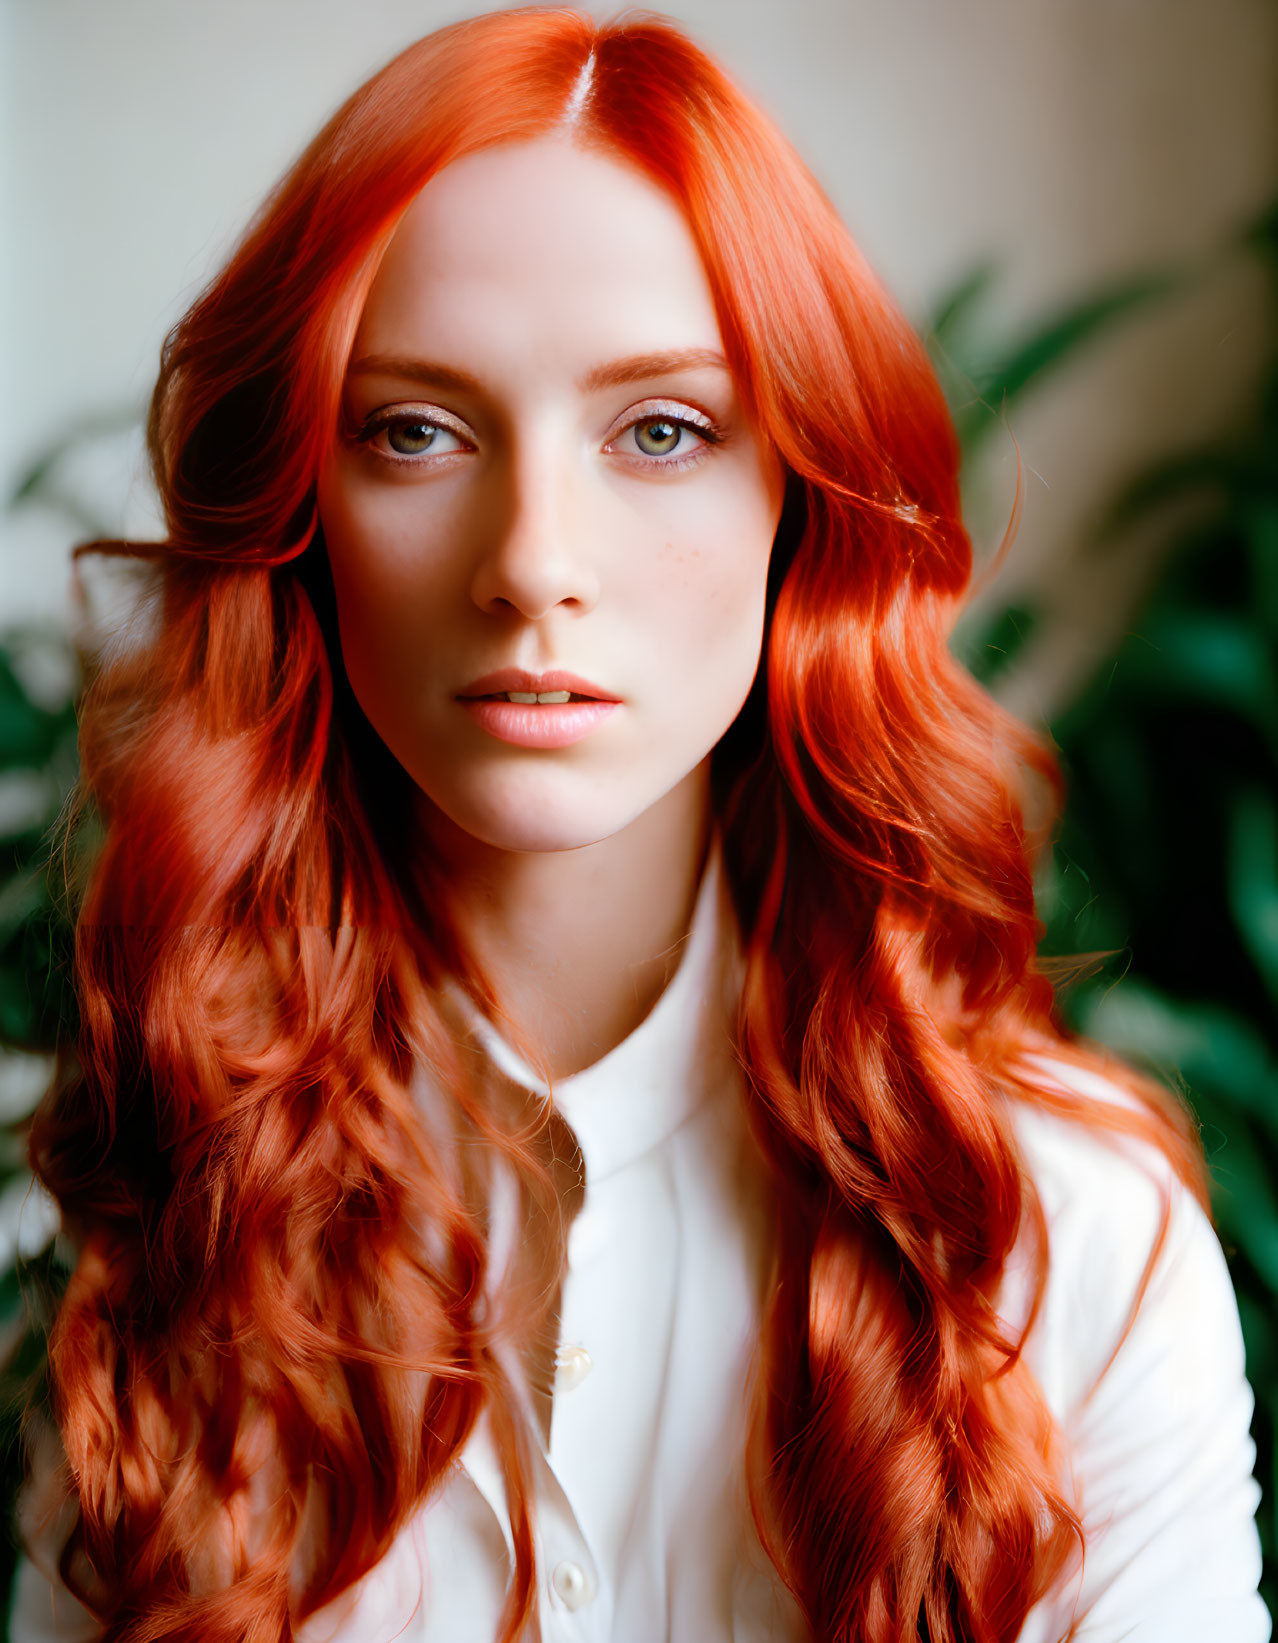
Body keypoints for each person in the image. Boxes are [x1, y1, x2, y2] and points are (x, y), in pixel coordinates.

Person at [10, 9, 1268, 1642]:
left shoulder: (1064, 1245)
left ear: (798, 503)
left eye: (660, 432)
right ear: (299, 512)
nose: (533, 559)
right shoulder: (178, 1214)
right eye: (415, 429)